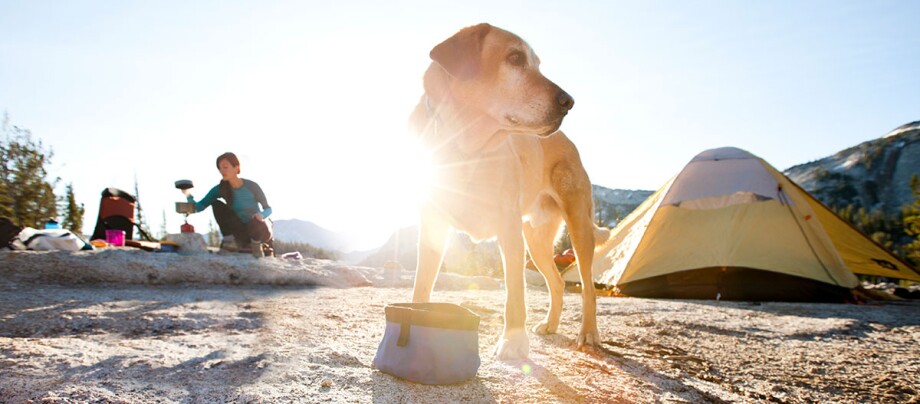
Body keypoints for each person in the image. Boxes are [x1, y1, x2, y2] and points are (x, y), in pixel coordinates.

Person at [185, 152, 273, 256]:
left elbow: (268, 209)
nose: (222, 171)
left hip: (259, 230)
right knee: (216, 204)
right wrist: (187, 193)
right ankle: (229, 242)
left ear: (236, 168)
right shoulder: (221, 189)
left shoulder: (251, 186)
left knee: (255, 220)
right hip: (239, 231)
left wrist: (261, 215)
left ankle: (256, 246)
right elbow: (199, 207)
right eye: (220, 168)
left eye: (225, 167)